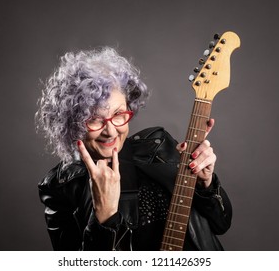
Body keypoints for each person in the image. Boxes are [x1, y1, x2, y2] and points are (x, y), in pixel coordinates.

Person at [35, 47, 232, 251]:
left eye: (119, 114)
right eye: (94, 120)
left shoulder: (158, 148)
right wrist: (104, 218)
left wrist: (206, 186)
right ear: (72, 123)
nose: (111, 131)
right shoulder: (62, 188)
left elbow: (221, 224)